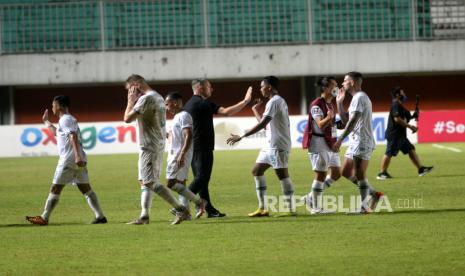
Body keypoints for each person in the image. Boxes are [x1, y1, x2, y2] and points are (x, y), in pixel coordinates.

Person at [26, 95, 107, 225]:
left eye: (53, 105)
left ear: (59, 106)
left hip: (69, 159)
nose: (52, 107)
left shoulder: (66, 119)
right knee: (85, 188)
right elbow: (57, 133)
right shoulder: (65, 120)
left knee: (55, 188)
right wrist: (46, 122)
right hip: (76, 158)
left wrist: (76, 156)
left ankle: (44, 217)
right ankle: (100, 216)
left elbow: (73, 136)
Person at [124, 74, 189, 225]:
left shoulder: (145, 98)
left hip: (149, 146)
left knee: (151, 181)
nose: (130, 93)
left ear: (136, 85)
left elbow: (127, 119)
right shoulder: (158, 96)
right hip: (154, 144)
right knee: (144, 181)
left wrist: (130, 101)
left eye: (130, 89)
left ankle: (181, 209)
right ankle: (144, 215)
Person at [227, 76, 295, 217]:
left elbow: (263, 124)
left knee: (282, 175)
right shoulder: (274, 101)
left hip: (278, 144)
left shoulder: (275, 101)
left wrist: (242, 136)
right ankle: (263, 209)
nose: (260, 89)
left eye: (262, 86)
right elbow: (266, 125)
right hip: (270, 144)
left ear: (269, 87)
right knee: (256, 171)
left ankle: (291, 209)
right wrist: (254, 110)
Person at [183, 79, 252, 218]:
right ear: (200, 87)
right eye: (209, 86)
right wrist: (245, 101)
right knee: (202, 178)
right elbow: (226, 112)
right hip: (203, 147)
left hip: (193, 147)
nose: (212, 89)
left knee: (202, 180)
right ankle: (180, 204)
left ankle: (209, 210)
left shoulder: (188, 105)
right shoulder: (203, 103)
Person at [333, 72, 384, 213]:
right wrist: (339, 103)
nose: (342, 83)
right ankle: (374, 194)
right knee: (345, 171)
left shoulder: (360, 97)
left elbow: (353, 121)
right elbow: (345, 122)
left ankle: (364, 207)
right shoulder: (356, 98)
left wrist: (340, 140)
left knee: (359, 173)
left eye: (345, 80)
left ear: (353, 82)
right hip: (356, 140)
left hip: (362, 140)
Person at [301, 76, 343, 214]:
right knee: (321, 174)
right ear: (325, 88)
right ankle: (315, 208)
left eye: (337, 85)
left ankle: (310, 198)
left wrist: (336, 137)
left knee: (336, 173)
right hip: (318, 142)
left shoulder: (331, 104)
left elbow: (330, 125)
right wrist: (329, 118)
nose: (336, 88)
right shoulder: (316, 104)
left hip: (330, 142)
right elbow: (320, 124)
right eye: (333, 85)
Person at [164, 92, 206, 219]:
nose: (166, 107)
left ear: (175, 102)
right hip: (175, 153)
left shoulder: (184, 115)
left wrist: (182, 154)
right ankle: (186, 212)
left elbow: (189, 135)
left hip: (179, 154)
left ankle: (199, 202)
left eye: (167, 104)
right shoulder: (176, 117)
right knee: (181, 182)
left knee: (170, 183)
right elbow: (179, 136)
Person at [377, 87, 433, 179]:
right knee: (389, 153)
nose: (405, 95)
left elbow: (407, 117)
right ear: (398, 95)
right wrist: (411, 127)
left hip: (401, 136)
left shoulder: (401, 107)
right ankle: (382, 173)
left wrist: (414, 115)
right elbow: (397, 119)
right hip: (394, 135)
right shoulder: (395, 105)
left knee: (410, 150)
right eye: (403, 93)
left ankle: (421, 169)